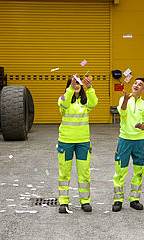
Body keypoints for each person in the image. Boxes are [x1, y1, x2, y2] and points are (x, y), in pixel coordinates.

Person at [57, 75, 98, 213]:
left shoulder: (85, 102)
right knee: (64, 173)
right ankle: (63, 202)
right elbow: (64, 104)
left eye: (79, 83)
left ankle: (85, 201)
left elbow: (94, 102)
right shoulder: (63, 98)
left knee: (84, 173)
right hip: (65, 142)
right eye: (73, 83)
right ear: (69, 85)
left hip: (83, 142)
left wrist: (90, 87)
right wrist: (70, 88)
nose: (76, 85)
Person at [112, 77, 144, 212]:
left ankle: (134, 199)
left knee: (139, 171)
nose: (136, 85)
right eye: (135, 83)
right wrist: (126, 100)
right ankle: (118, 200)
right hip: (125, 140)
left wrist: (142, 126)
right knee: (120, 171)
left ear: (143, 89)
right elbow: (122, 112)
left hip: (139, 142)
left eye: (140, 84)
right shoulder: (124, 100)